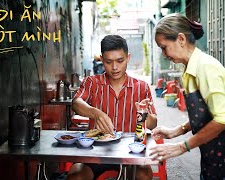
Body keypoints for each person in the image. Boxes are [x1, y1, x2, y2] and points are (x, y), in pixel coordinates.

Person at [149, 13, 225, 179]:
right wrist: (176, 131)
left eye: (164, 47)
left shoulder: (205, 67)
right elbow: (206, 114)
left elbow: (222, 119)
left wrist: (181, 147)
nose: (164, 54)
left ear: (181, 39)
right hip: (214, 148)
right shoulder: (190, 68)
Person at [67, 35, 157, 180]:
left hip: (130, 154)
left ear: (128, 57)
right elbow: (76, 103)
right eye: (109, 62)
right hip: (95, 152)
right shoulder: (92, 82)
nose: (114, 67)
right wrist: (95, 113)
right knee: (76, 176)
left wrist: (143, 114)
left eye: (120, 61)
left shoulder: (141, 87)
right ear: (102, 60)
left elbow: (153, 124)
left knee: (144, 175)